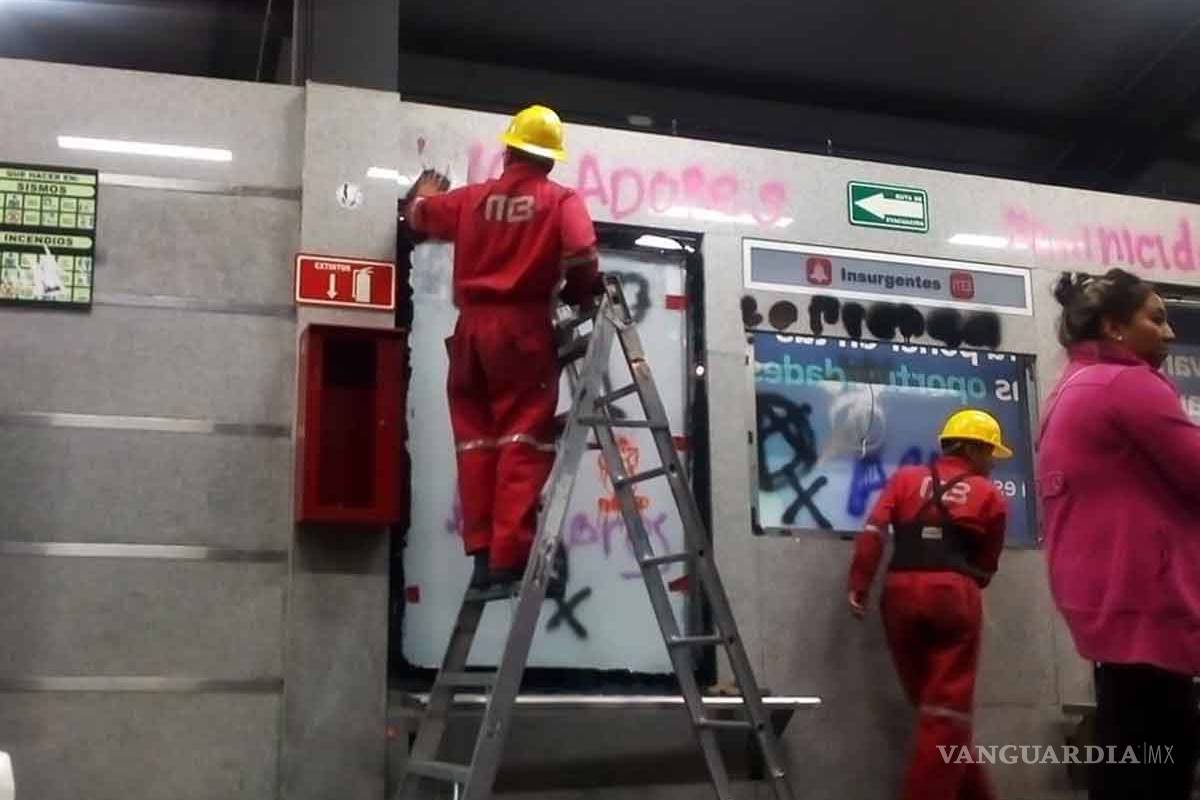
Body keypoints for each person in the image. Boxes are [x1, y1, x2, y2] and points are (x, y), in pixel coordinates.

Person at [403, 104, 600, 590]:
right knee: (522, 437)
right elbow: (583, 254)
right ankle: (509, 555)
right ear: (550, 159)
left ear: (509, 149)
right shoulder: (560, 199)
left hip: (469, 334)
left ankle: (482, 554)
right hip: (522, 334)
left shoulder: (471, 200)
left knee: (475, 441)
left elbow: (420, 215)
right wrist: (580, 293)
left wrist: (420, 194)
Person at [1037, 268, 1200, 800]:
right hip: (1147, 598)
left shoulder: (1074, 385)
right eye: (1156, 319)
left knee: (1128, 750)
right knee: (1158, 761)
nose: (1169, 333)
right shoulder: (1127, 383)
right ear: (1113, 326)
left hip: (1106, 599)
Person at [848, 409, 1011, 800]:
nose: (992, 463)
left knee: (933, 709)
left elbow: (873, 532)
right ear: (973, 449)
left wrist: (859, 584)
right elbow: (987, 568)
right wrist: (962, 590)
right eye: (990, 453)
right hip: (953, 595)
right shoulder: (990, 496)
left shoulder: (904, 479)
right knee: (946, 714)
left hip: (898, 595)